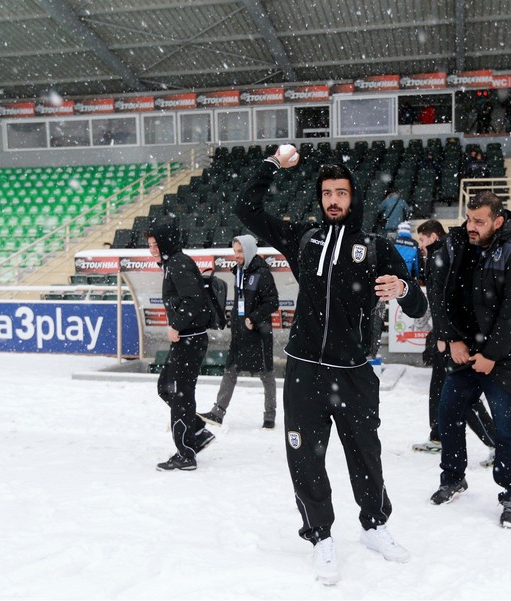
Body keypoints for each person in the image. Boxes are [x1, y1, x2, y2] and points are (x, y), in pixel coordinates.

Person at [235, 146, 428, 582]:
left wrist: (402, 288)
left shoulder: (376, 247)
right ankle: (320, 535)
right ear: (320, 198)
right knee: (305, 457)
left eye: (341, 192)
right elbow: (245, 207)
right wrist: (270, 166)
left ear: (353, 197)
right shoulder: (303, 239)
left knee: (366, 453)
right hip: (304, 370)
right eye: (327, 193)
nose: (334, 200)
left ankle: (375, 525)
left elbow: (417, 304)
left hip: (356, 371)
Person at [429, 191, 511, 529]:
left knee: (506, 426)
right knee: (448, 413)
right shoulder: (457, 243)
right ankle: (453, 477)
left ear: (498, 221)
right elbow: (438, 291)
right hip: (465, 348)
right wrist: (451, 338)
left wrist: (491, 355)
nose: (471, 226)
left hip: (506, 355)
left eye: (480, 221)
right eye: (469, 219)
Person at [413, 219, 498, 467]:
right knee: (440, 390)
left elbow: (443, 302)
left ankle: (496, 442)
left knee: (462, 396)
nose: (420, 245)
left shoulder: (445, 256)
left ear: (434, 236)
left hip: (455, 339)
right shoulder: (442, 255)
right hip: (448, 336)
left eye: (423, 239)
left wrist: (444, 337)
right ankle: (437, 436)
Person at [148, 218, 216, 471]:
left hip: (190, 339)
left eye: (155, 244)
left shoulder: (177, 264)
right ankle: (197, 433)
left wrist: (176, 325)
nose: (152, 249)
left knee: (180, 394)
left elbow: (193, 300)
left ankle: (186, 454)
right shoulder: (172, 263)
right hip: (187, 339)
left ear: (166, 242)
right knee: (166, 387)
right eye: (150, 245)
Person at [198, 235, 280, 429]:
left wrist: (254, 318)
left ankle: (270, 416)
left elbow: (273, 302)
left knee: (266, 374)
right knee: (230, 370)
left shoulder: (262, 274)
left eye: (240, 251)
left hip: (257, 332)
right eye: (235, 251)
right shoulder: (239, 272)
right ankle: (218, 412)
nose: (236, 255)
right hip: (240, 332)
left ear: (250, 251)